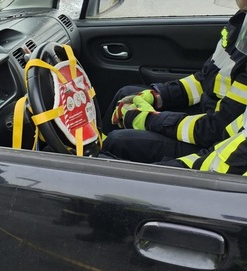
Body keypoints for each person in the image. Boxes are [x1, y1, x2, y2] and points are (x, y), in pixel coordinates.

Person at [102, 1, 247, 163]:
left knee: (118, 141)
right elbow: (203, 79)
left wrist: (149, 119)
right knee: (126, 93)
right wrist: (157, 95)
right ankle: (92, 150)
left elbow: (213, 129)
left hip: (217, 141)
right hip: (208, 114)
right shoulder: (241, 21)